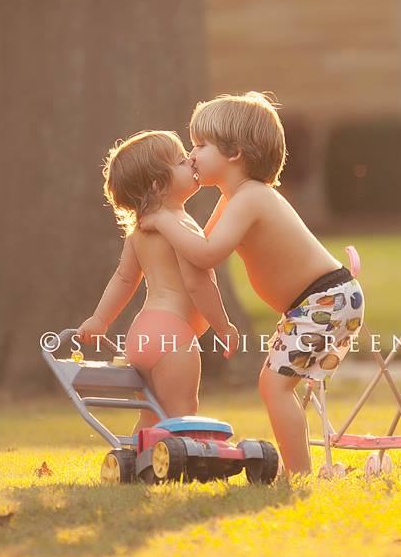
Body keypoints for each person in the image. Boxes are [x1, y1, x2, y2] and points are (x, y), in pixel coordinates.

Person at [141, 92, 364, 478]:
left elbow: (207, 254)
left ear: (235, 153)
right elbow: (196, 255)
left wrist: (162, 221)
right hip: (316, 303)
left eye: (200, 145)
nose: (191, 155)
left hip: (325, 300)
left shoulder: (251, 199)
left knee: (274, 387)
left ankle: (298, 474)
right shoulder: (234, 200)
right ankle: (302, 468)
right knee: (276, 386)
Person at [76, 130, 240, 433]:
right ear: (158, 185)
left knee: (152, 414)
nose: (190, 159)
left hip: (141, 335)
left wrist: (100, 320)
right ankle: (181, 465)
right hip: (172, 338)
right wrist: (222, 326)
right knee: (182, 411)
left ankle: (139, 463)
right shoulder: (177, 226)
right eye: (180, 161)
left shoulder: (141, 231)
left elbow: (124, 279)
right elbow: (198, 284)